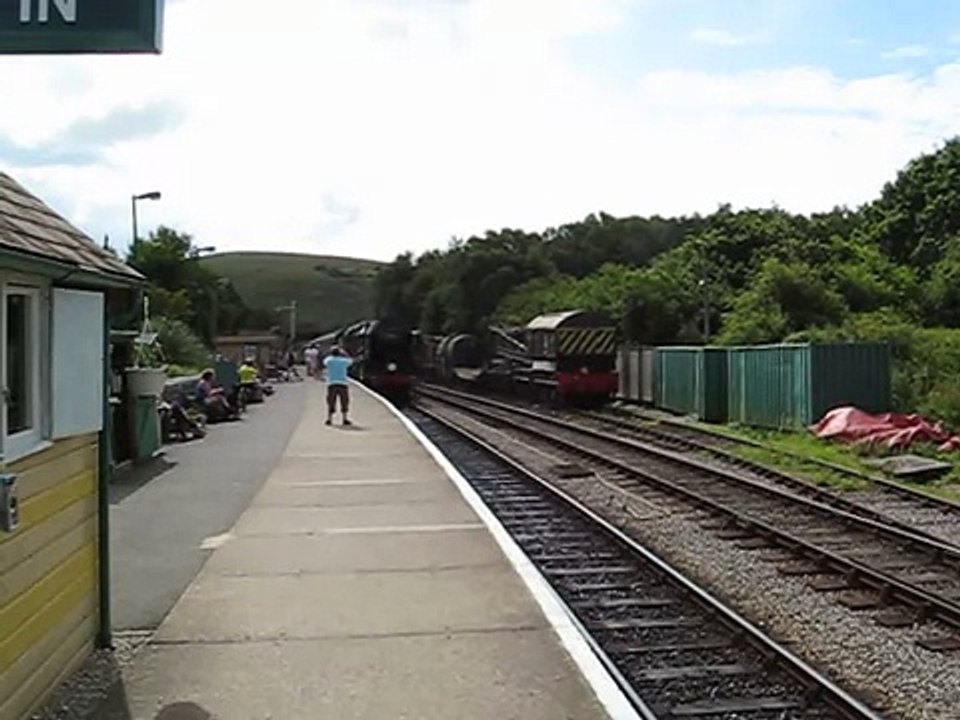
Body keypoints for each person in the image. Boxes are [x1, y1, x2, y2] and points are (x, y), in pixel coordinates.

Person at [323, 346, 353, 426]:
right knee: (344, 401)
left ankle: (329, 419)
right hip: (343, 383)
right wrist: (345, 353)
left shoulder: (328, 360)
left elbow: (324, 362)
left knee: (331, 401)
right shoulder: (344, 361)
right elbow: (351, 361)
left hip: (331, 383)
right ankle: (344, 419)